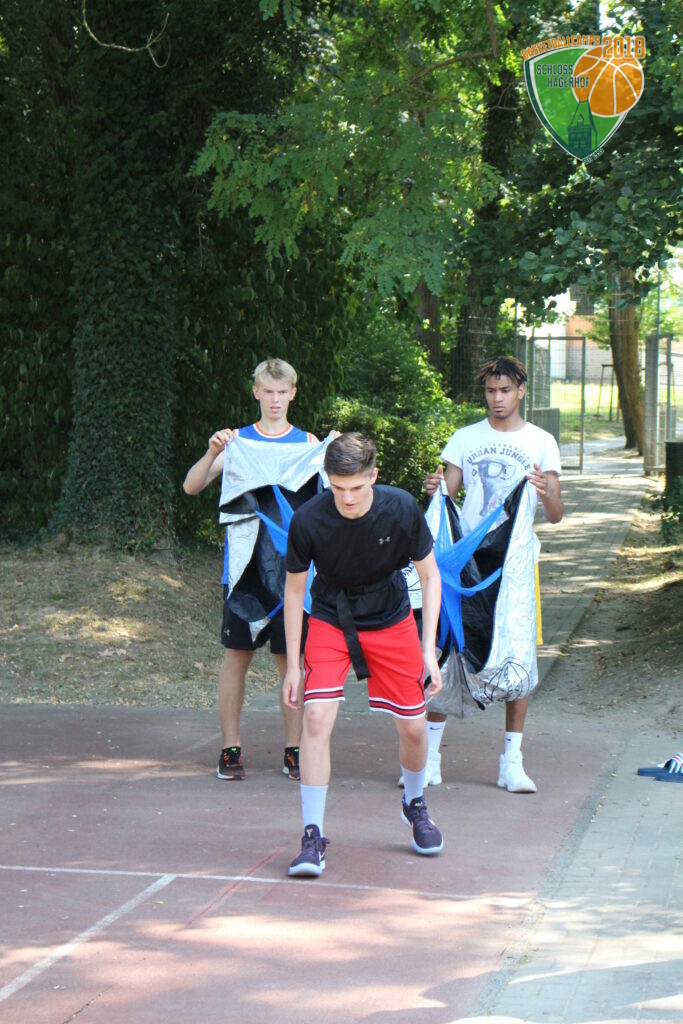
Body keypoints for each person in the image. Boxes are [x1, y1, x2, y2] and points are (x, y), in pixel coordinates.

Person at [282, 432, 444, 878]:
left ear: (374, 475)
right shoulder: (308, 519)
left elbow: (430, 578)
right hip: (331, 617)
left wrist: (429, 651)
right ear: (326, 480)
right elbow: (294, 592)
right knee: (316, 718)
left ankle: (415, 803)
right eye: (338, 488)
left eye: (356, 487)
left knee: (414, 727)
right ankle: (312, 835)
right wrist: (293, 665)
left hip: (391, 618)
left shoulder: (401, 509)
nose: (348, 498)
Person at [415, 355, 564, 794]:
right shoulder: (465, 437)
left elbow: (556, 513)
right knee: (448, 650)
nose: (497, 399)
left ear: (521, 391)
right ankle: (430, 760)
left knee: (518, 655)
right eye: (490, 391)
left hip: (515, 565)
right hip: (467, 563)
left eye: (505, 391)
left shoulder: (541, 442)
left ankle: (511, 763)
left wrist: (545, 492)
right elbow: (447, 496)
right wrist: (434, 489)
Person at [183, 358, 317, 783]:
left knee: (291, 660)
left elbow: (333, 498)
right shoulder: (236, 441)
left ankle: (294, 751)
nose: (275, 400)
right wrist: (213, 451)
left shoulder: (308, 443)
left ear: (293, 393)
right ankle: (230, 749)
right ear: (256, 392)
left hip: (293, 574)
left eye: (283, 392)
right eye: (268, 391)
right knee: (236, 658)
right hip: (243, 571)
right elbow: (191, 486)